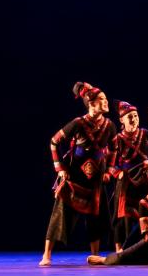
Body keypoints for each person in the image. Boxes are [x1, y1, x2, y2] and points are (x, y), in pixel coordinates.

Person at [41, 82, 116, 266]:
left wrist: (110, 170)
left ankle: (95, 255)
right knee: (60, 214)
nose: (106, 102)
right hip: (74, 176)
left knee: (96, 217)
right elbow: (53, 142)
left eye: (106, 98)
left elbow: (114, 149)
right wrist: (60, 168)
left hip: (96, 178)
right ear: (91, 103)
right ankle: (46, 255)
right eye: (102, 99)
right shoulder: (78, 123)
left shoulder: (109, 125)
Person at [107, 101, 148, 251]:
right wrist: (117, 173)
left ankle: (146, 246)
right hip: (126, 181)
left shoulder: (146, 134)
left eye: (136, 116)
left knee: (147, 212)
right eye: (130, 117)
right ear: (121, 120)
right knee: (122, 215)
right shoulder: (117, 139)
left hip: (145, 179)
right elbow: (108, 163)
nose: (134, 119)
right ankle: (120, 249)